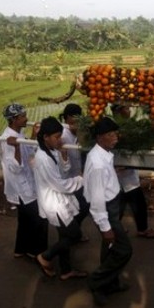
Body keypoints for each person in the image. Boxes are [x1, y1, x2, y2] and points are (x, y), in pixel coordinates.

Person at [83, 117, 133, 306]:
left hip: (111, 205)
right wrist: (105, 227)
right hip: (105, 210)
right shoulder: (98, 163)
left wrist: (113, 173)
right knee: (124, 250)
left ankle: (109, 284)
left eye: (116, 133)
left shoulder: (102, 155)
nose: (115, 138)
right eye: (110, 135)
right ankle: (96, 282)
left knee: (110, 249)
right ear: (99, 137)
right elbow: (96, 199)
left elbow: (102, 183)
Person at [33, 117, 88, 280]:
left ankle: (66, 271)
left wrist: (64, 155)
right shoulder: (43, 158)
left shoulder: (51, 151)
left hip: (60, 199)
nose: (60, 140)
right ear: (45, 137)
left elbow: (63, 172)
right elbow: (60, 184)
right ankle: (45, 256)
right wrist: (80, 179)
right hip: (54, 203)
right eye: (56, 137)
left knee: (65, 236)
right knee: (74, 235)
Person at [1, 103, 48, 259]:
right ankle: (40, 254)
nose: (26, 118)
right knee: (40, 219)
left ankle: (20, 249)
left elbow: (29, 155)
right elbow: (15, 168)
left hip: (28, 185)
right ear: (14, 120)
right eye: (23, 116)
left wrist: (34, 136)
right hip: (22, 188)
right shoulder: (7, 139)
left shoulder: (19, 135)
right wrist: (15, 148)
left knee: (25, 220)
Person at [111, 103, 154, 239]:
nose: (128, 110)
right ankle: (141, 229)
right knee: (137, 203)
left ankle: (116, 227)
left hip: (126, 172)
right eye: (125, 108)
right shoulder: (116, 129)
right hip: (121, 172)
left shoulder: (128, 126)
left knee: (122, 202)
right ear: (119, 111)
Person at [59, 103, 90, 242]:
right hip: (67, 178)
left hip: (79, 177)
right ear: (66, 119)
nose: (75, 123)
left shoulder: (81, 133)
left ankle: (74, 232)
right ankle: (71, 235)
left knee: (84, 206)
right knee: (74, 208)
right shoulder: (62, 135)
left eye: (78, 120)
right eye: (72, 120)